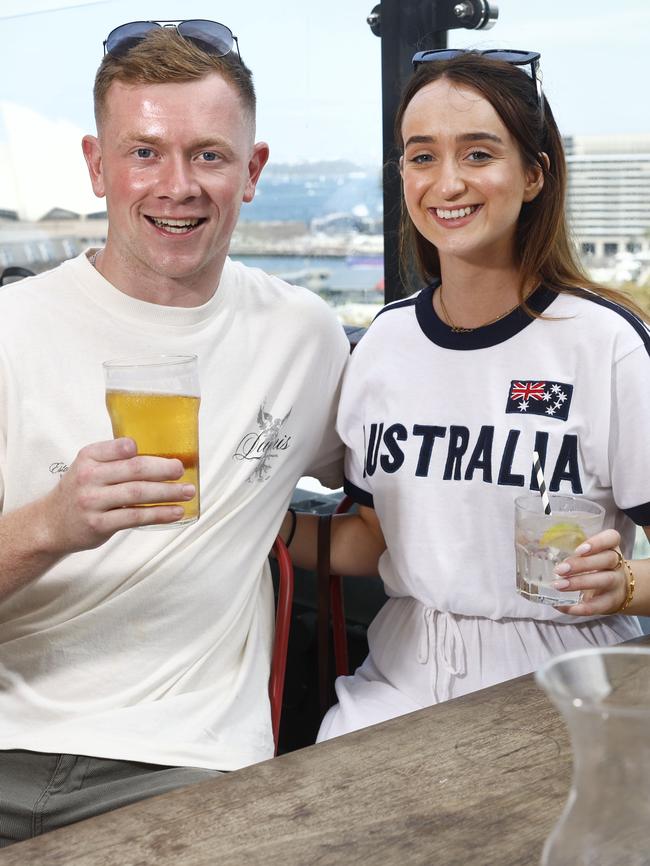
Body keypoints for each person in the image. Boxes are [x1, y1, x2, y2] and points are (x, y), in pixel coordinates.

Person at [0, 21, 349, 845]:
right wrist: (53, 524)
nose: (177, 185)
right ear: (96, 166)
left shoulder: (304, 336)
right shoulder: (12, 330)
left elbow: (406, 483)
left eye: (210, 155)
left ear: (252, 171)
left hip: (187, 761)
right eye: (145, 152)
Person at [284, 49, 650, 741]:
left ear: (535, 173)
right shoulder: (384, 344)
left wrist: (625, 583)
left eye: (478, 154)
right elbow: (372, 541)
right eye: (422, 157)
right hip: (396, 678)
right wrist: (258, 521)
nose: (446, 182)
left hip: (566, 680)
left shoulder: (603, 342)